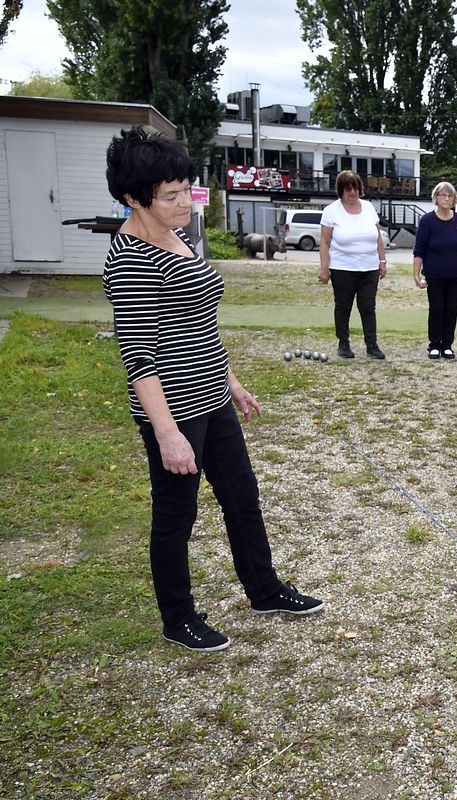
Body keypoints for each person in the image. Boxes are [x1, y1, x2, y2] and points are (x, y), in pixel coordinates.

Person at [103, 127, 324, 653]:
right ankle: (177, 618)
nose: (184, 202)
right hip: (173, 410)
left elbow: (195, 322)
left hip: (212, 396)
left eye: (187, 188)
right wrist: (168, 435)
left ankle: (264, 591)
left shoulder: (179, 235)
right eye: (170, 194)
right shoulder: (131, 257)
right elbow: (140, 358)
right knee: (176, 516)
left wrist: (232, 382)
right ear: (134, 197)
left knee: (242, 497)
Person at [318, 170, 388, 360]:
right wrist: (324, 268)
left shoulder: (368, 208)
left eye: (355, 188)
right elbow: (324, 242)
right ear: (341, 190)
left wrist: (382, 261)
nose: (352, 192)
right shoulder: (331, 211)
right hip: (342, 267)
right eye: (348, 188)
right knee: (343, 306)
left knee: (367, 306)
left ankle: (372, 345)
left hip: (369, 267)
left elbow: (378, 237)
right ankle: (344, 343)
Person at [413, 181, 457, 360]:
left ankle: (447, 345)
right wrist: (416, 274)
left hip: (456, 274)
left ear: (454, 199)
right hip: (434, 274)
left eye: (450, 195)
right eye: (443, 195)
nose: (446, 198)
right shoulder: (427, 220)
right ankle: (434, 345)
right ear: (436, 198)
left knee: (452, 309)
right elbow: (419, 250)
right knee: (437, 309)